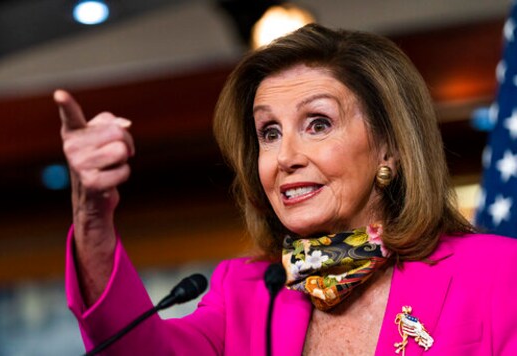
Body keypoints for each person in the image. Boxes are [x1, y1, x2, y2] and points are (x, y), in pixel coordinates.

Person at [56, 24, 517, 355]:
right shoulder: (246, 293)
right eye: (269, 133)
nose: (284, 158)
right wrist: (93, 219)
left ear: (389, 150)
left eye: (318, 124)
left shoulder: (498, 274)